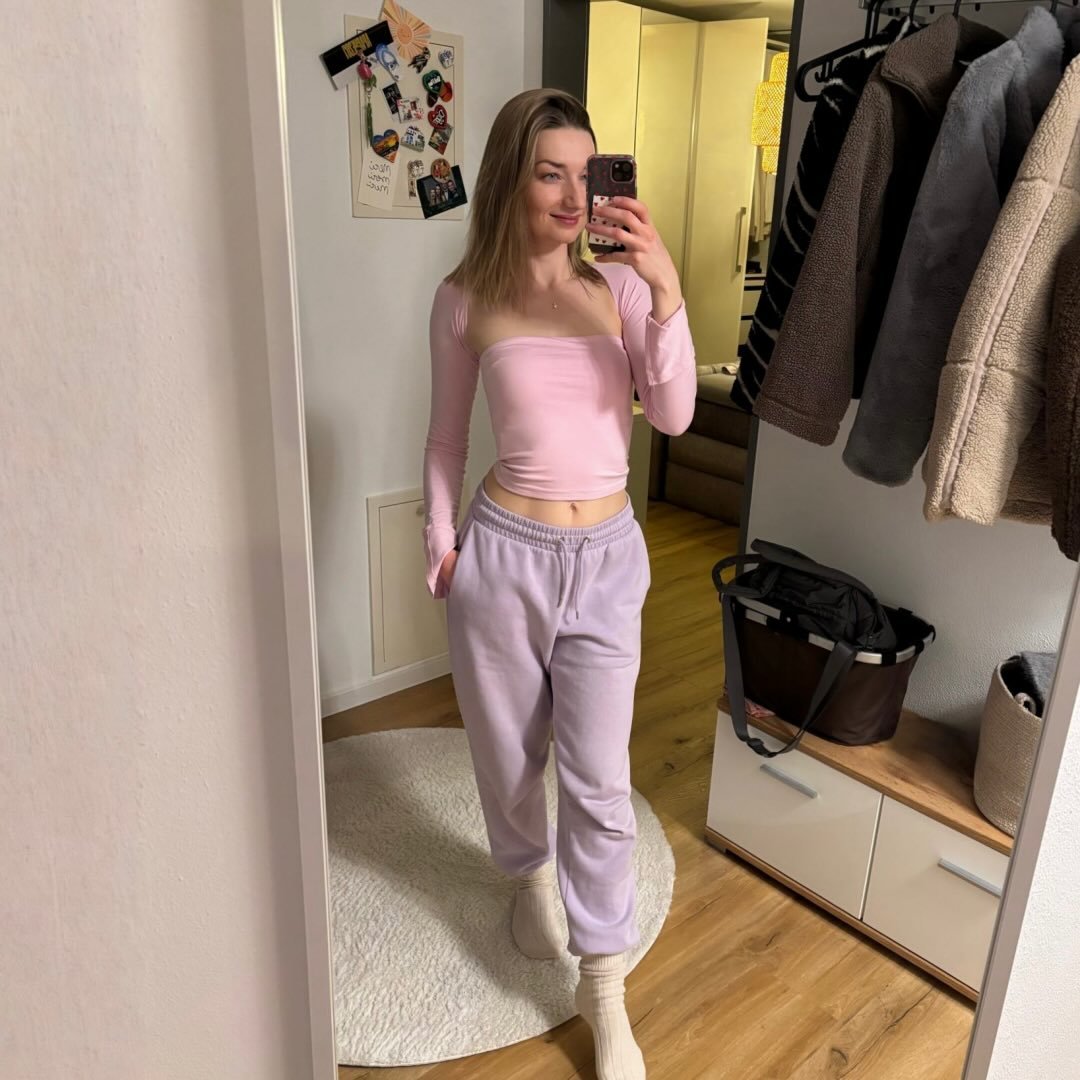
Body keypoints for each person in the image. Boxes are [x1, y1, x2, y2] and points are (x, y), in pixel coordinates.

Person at [420, 88, 696, 1080]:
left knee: (597, 779)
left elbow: (673, 415)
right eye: (551, 175)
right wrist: (441, 538)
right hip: (504, 556)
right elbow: (446, 439)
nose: (576, 197)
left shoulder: (620, 289)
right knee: (505, 756)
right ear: (511, 179)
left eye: (589, 175)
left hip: (608, 560)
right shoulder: (464, 298)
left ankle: (604, 992)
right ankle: (529, 877)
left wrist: (665, 289)